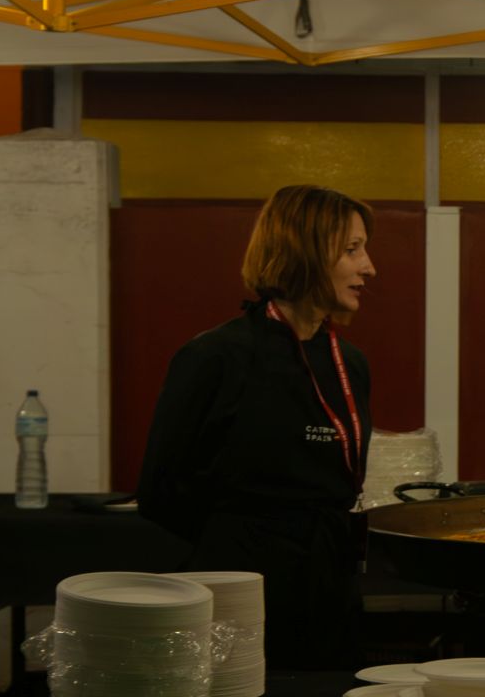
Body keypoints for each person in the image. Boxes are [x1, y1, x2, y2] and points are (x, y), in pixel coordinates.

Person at [137, 184, 377, 670]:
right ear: (305, 251)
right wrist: (242, 539)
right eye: (352, 249)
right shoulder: (215, 357)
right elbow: (161, 491)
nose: (369, 267)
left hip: (329, 587)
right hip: (240, 590)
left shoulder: (349, 364)